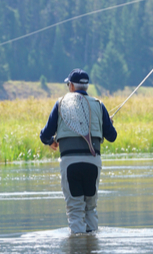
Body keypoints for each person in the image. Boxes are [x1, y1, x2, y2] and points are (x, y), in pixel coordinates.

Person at [40, 68, 117, 235]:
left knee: (75, 210)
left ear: (72, 87)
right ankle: (91, 252)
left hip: (70, 164)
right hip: (93, 163)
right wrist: (106, 123)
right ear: (86, 87)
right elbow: (112, 136)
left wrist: (50, 142)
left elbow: (45, 134)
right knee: (91, 208)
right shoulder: (99, 105)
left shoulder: (60, 103)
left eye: (68, 84)